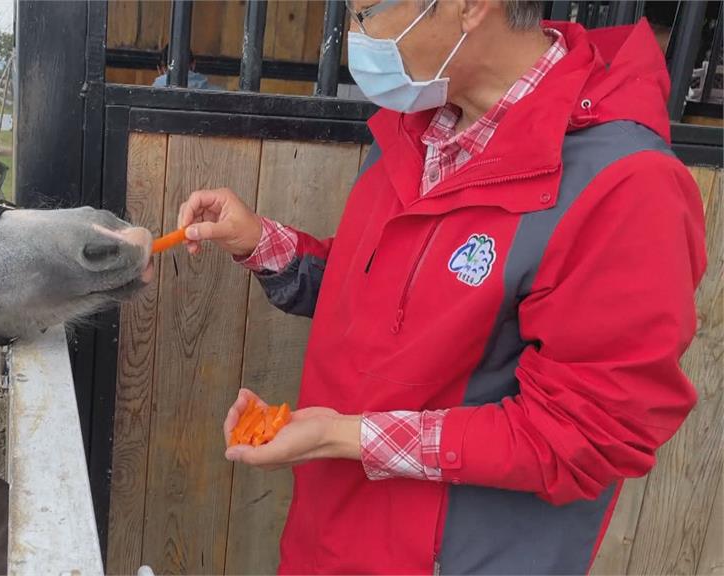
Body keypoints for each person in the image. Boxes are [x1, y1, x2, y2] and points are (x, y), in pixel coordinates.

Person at [175, 0, 707, 573]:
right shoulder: (421, 128)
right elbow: (392, 301)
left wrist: (347, 436)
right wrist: (260, 241)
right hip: (333, 536)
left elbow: (589, 432)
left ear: (471, 7)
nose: (354, 38)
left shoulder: (624, 186)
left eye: (366, 12)